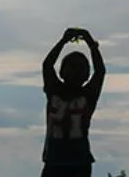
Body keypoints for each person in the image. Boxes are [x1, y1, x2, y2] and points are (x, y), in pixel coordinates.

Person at [40, 27, 106, 177]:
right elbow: (47, 65)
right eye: (73, 66)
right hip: (55, 161)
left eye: (81, 67)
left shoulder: (88, 95)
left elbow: (100, 71)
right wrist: (63, 41)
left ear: (86, 75)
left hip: (79, 163)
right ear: (62, 72)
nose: (76, 71)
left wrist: (91, 43)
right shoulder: (54, 89)